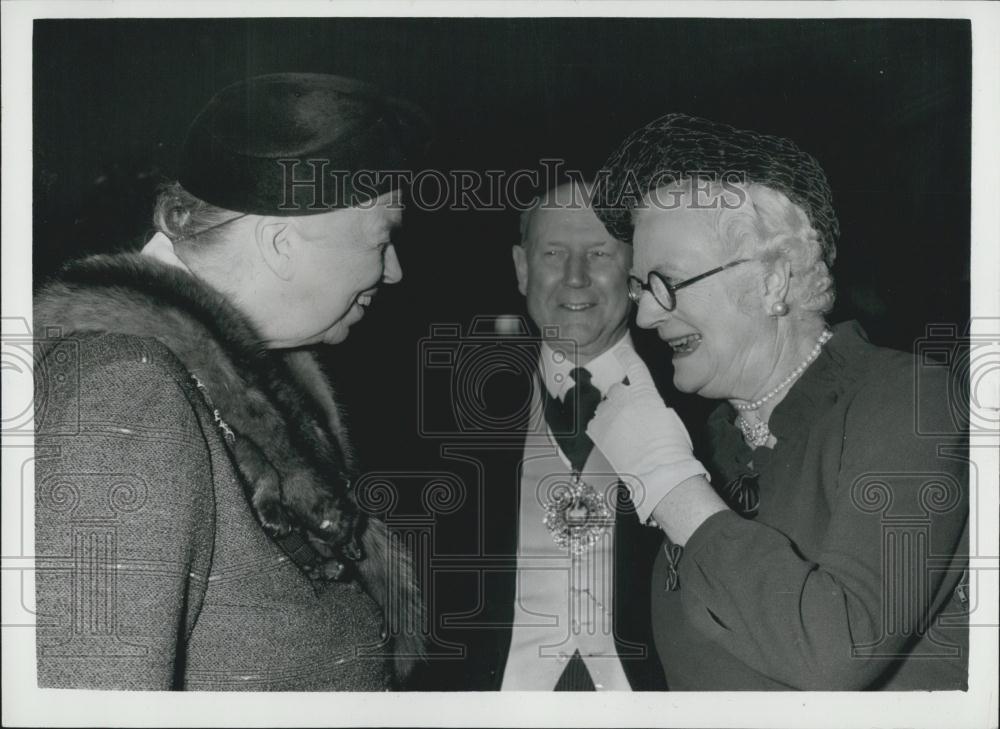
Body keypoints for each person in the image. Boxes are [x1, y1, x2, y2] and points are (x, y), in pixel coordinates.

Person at [33, 73, 430, 690]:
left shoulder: (247, 385)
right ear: (280, 242)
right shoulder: (124, 394)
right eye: (383, 241)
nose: (395, 271)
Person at [584, 113, 969, 690]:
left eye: (666, 282)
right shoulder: (713, 439)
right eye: (640, 287)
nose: (644, 313)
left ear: (773, 281)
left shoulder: (909, 401)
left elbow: (839, 648)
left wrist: (670, 485)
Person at [431, 181, 699, 690]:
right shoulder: (447, 415)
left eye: (599, 253)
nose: (575, 278)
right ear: (522, 267)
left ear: (637, 272)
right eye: (554, 253)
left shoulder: (700, 407)